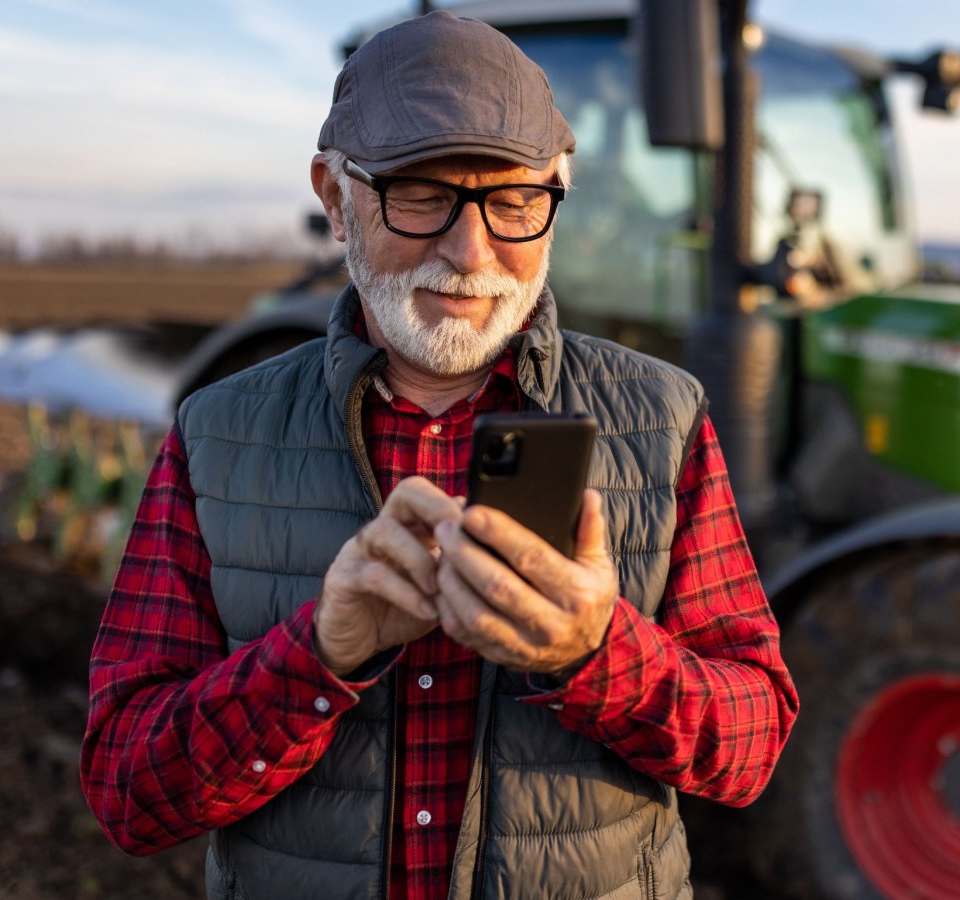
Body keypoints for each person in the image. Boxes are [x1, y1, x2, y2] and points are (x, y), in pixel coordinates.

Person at [80, 11, 798, 900]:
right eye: (420, 194)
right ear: (335, 197)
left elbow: (751, 747)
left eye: (514, 201)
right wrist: (315, 659)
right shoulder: (217, 434)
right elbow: (129, 792)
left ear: (554, 197)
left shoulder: (663, 420)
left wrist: (597, 652)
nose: (471, 251)